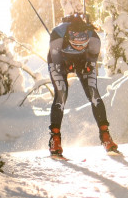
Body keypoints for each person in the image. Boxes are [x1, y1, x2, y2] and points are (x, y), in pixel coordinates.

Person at [47, 12, 118, 156]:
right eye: (75, 44)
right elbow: (57, 63)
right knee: (61, 93)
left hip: (82, 60)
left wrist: (83, 65)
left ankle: (105, 135)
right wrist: (67, 65)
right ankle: (55, 138)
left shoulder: (94, 39)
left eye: (82, 44)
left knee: (93, 93)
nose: (79, 46)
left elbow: (91, 59)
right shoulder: (57, 35)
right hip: (60, 59)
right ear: (69, 37)